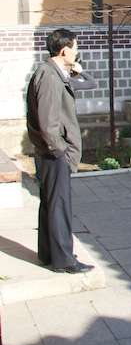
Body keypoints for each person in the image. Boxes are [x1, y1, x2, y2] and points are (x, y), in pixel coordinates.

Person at [26, 29, 94, 273]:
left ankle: (48, 254)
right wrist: (59, 151)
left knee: (50, 204)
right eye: (75, 48)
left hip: (51, 152)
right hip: (53, 153)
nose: (76, 52)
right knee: (59, 206)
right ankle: (65, 260)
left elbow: (90, 83)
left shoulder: (53, 73)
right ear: (65, 50)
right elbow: (48, 120)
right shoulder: (49, 77)